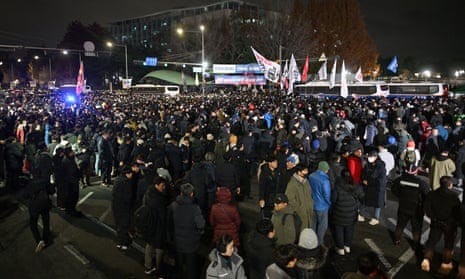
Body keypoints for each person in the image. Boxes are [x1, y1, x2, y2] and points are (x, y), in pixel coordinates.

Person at [421, 176, 461, 274]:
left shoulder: (432, 194)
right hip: (449, 225)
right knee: (448, 245)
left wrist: (433, 217)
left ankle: (426, 261)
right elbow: (457, 212)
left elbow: (427, 208)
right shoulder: (454, 197)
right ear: (449, 185)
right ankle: (445, 265)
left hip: (436, 222)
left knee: (432, 241)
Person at [168, 183, 205, 279]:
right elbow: (201, 225)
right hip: (191, 242)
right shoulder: (195, 209)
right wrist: (199, 233)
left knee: (179, 265)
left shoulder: (173, 206)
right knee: (191, 267)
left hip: (178, 241)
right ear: (192, 194)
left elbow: (169, 222)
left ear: (181, 193)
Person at [391, 165, 429, 247]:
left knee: (400, 225)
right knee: (416, 229)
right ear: (416, 172)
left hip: (403, 207)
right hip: (416, 209)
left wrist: (401, 196)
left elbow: (394, 190)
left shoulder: (400, 180)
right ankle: (416, 244)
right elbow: (427, 196)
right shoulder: (421, 183)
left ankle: (396, 240)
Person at [331, 169, 364, 256]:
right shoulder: (355, 185)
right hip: (351, 214)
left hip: (339, 213)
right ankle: (347, 247)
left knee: (339, 231)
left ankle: (341, 248)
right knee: (350, 231)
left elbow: (333, 200)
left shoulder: (337, 187)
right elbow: (362, 197)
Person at [142, 176, 168, 276]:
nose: (164, 187)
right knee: (159, 248)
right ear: (157, 185)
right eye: (162, 185)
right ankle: (159, 269)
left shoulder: (148, 193)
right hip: (158, 226)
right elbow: (162, 216)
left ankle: (147, 266)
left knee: (149, 245)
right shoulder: (159, 199)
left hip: (149, 225)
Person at [23, 168, 54, 252]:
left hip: (34, 206)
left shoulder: (30, 184)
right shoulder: (45, 182)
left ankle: (39, 240)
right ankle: (45, 239)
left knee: (33, 223)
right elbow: (52, 191)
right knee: (46, 222)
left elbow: (25, 195)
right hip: (45, 204)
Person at [308, 161, 331, 246]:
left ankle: (312, 241)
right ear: (325, 169)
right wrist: (329, 203)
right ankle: (320, 242)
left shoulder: (311, 176)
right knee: (323, 225)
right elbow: (327, 194)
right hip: (322, 206)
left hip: (312, 203)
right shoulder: (325, 180)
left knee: (313, 223)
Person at [361, 150, 386, 225]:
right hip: (369, 186)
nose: (369, 158)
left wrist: (368, 182)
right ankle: (361, 214)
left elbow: (380, 179)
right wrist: (364, 179)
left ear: (376, 157)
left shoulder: (380, 166)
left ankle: (376, 218)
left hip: (377, 188)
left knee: (377, 203)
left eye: (371, 157)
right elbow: (364, 172)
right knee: (365, 200)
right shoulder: (368, 164)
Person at [112, 166, 134, 250]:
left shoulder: (117, 180)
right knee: (124, 225)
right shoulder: (127, 182)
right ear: (127, 174)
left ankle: (119, 242)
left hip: (116, 206)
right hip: (124, 207)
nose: (131, 175)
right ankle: (124, 243)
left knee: (118, 225)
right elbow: (128, 197)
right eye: (130, 173)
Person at [285, 164, 314, 229]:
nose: (307, 172)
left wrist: (311, 204)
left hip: (308, 212)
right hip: (300, 214)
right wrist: (299, 209)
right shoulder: (292, 184)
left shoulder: (306, 182)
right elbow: (290, 199)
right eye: (305, 171)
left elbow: (309, 194)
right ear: (299, 172)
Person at [259, 154, 281, 218]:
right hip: (267, 197)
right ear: (269, 163)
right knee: (267, 214)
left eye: (276, 161)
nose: (276, 163)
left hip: (276, 196)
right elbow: (262, 186)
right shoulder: (264, 173)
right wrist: (261, 198)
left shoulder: (277, 171)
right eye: (274, 162)